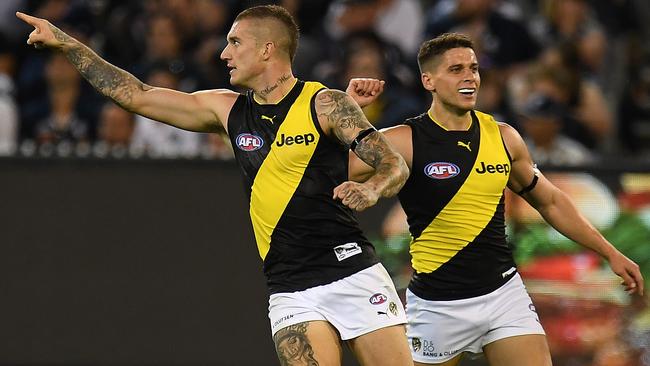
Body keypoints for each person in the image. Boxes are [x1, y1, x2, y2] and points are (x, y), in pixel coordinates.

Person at [17, 5, 414, 365]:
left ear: (267, 50)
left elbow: (392, 163)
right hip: (291, 290)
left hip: (352, 272)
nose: (223, 54)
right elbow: (135, 95)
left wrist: (373, 189)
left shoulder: (324, 103)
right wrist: (67, 44)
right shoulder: (226, 109)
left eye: (235, 42)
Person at [349, 32, 645, 366]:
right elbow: (329, 168)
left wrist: (609, 252)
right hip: (438, 304)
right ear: (428, 80)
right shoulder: (403, 140)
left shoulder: (504, 137)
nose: (469, 77)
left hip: (504, 295)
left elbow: (550, 201)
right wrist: (349, 118)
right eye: (456, 69)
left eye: (473, 68)